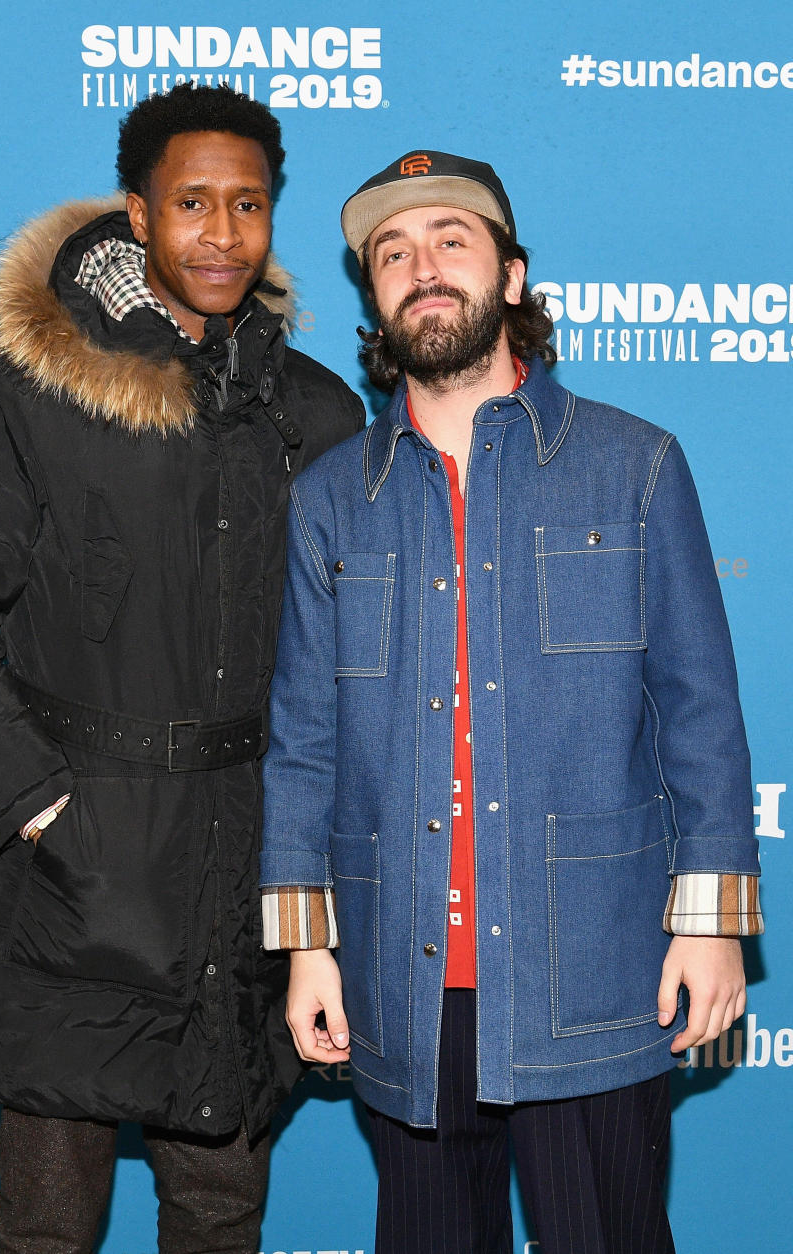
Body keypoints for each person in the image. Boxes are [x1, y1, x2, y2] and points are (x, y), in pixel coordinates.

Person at [0, 84, 364, 1254]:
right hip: (73, 886)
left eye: (249, 204)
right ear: (138, 215)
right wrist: (37, 806)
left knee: (219, 1212)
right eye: (192, 202)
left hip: (248, 876)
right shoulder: (30, 396)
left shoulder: (316, 412)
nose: (222, 234)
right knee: (46, 1226)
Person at [259, 150, 762, 1254]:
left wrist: (714, 917)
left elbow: (701, 710)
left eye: (451, 240)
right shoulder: (332, 501)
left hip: (592, 959)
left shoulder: (634, 465)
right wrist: (307, 946)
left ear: (513, 276)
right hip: (402, 969)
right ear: (376, 298)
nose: (421, 267)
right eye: (392, 253)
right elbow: (301, 740)